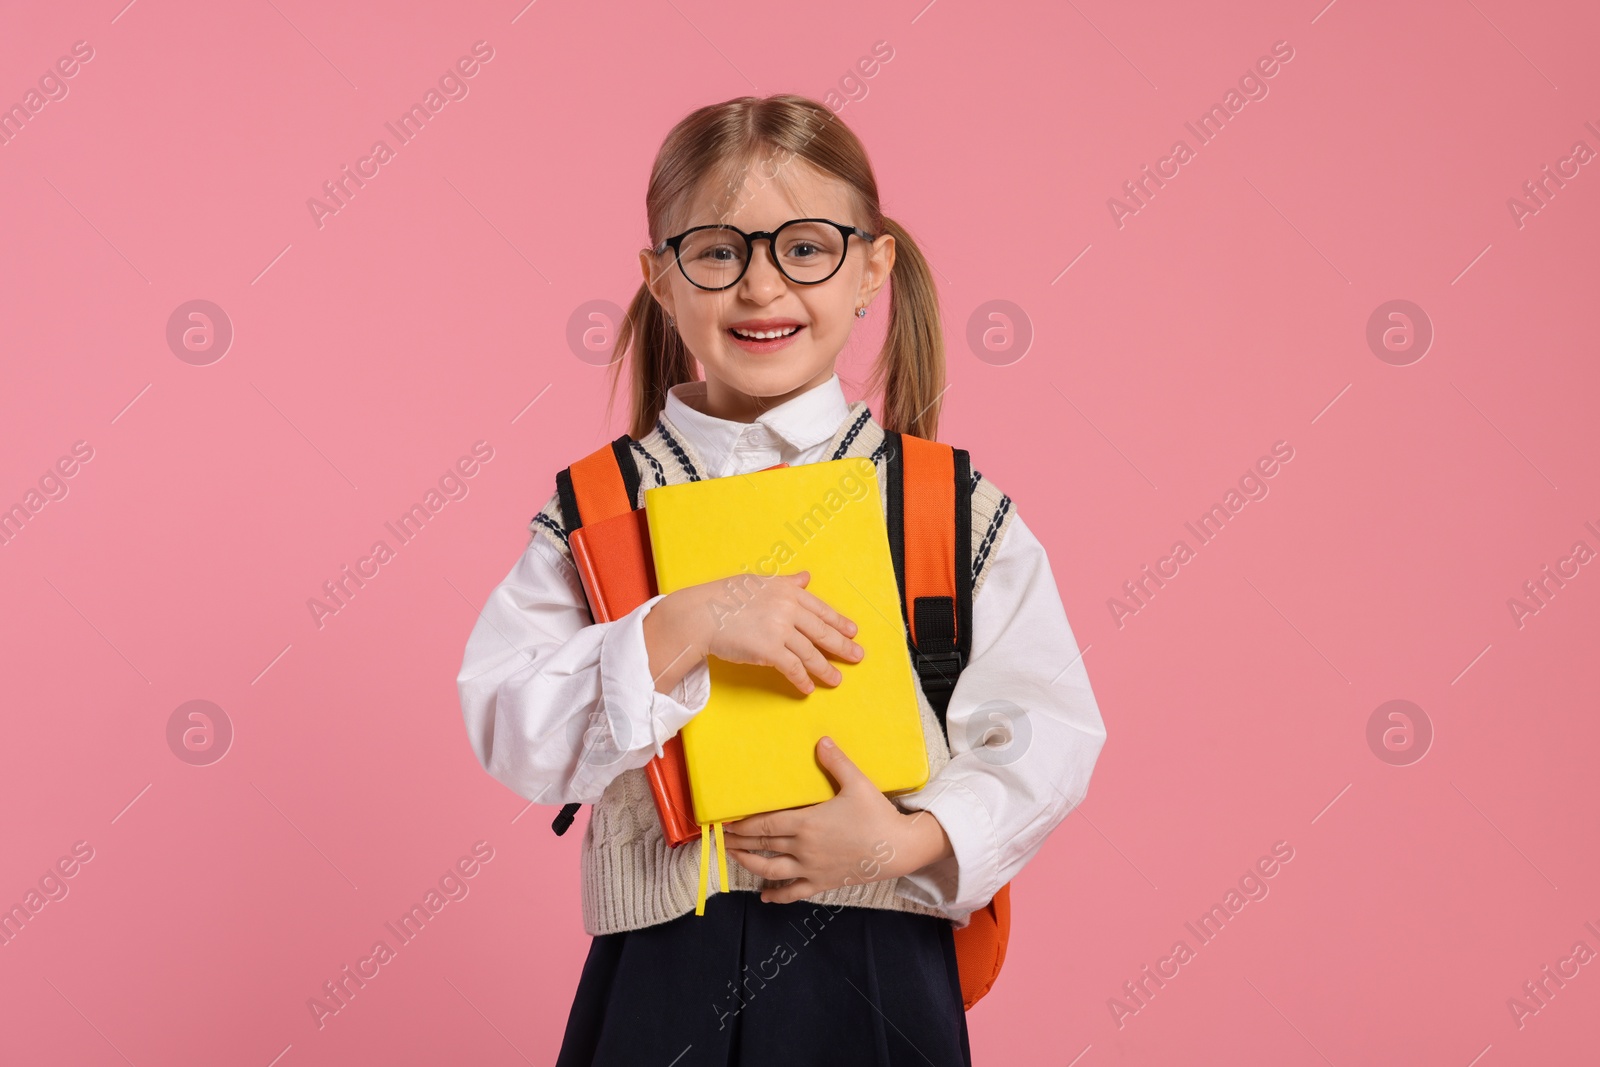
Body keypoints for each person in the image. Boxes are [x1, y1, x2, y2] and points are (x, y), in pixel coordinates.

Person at [456, 93, 1107, 1066]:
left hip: (880, 979)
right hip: (657, 980)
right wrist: (678, 624)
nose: (761, 287)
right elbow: (508, 725)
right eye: (716, 251)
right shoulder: (598, 512)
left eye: (805, 247)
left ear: (871, 266)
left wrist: (907, 841)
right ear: (660, 278)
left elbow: (1045, 733)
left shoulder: (947, 508)